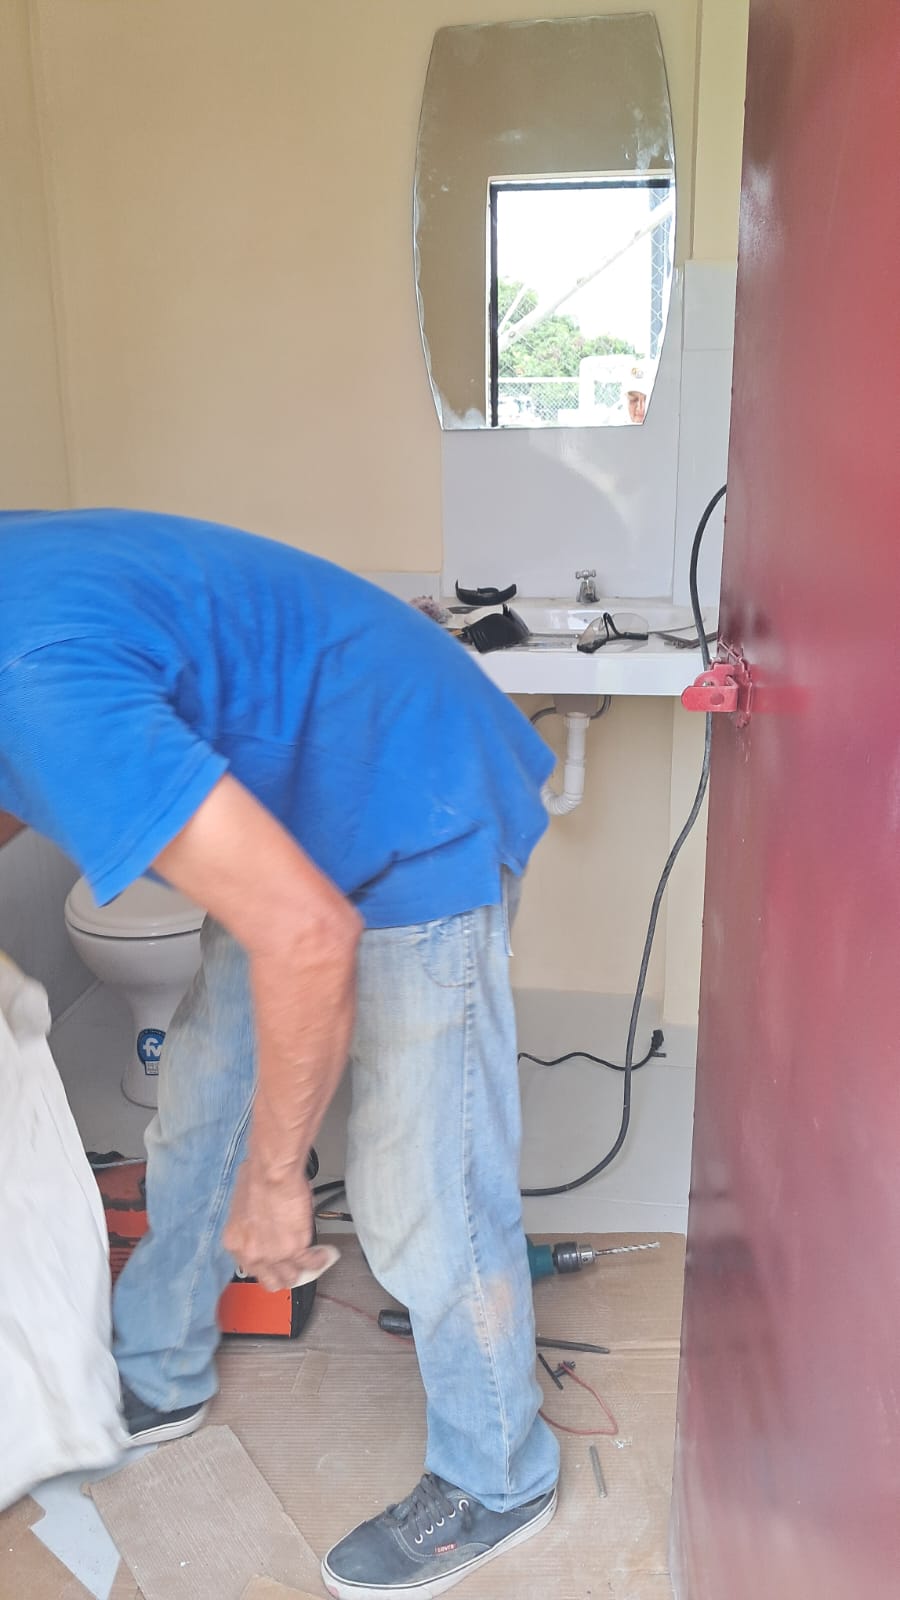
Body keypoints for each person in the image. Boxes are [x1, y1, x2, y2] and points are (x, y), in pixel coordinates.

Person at [0, 508, 560, 1599]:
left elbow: (307, 934)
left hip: (413, 789)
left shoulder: (34, 676)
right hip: (290, 802)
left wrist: (276, 1181)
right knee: (200, 1110)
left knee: (422, 1188)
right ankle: (157, 1372)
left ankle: (497, 1474)